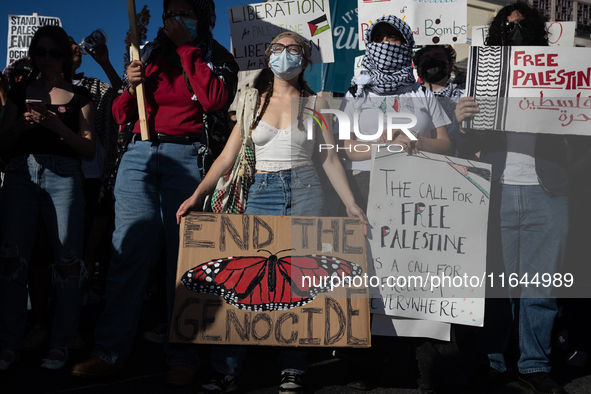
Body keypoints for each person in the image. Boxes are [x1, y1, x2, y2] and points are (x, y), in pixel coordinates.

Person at [177, 31, 367, 394]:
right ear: (268, 57)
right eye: (278, 48)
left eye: (293, 49)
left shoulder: (318, 103)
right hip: (258, 191)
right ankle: (227, 368)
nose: (285, 54)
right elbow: (227, 156)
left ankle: (293, 368)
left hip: (307, 190)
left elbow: (328, 157)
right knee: (243, 280)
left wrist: (350, 203)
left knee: (296, 283)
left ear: (305, 60)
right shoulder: (250, 100)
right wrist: (197, 194)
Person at [71, 0, 239, 387]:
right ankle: (108, 351)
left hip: (188, 156)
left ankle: (183, 354)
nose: (176, 19)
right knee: (127, 255)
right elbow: (120, 114)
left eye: (187, 12)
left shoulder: (217, 57)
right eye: (171, 12)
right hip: (139, 155)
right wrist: (131, 86)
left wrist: (185, 50)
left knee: (182, 263)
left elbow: (215, 100)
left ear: (203, 18)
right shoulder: (147, 54)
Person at [454, 2, 569, 394]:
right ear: (496, 34)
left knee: (541, 286)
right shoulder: (482, 74)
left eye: (521, 27)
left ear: (536, 32)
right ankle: (493, 361)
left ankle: (535, 365)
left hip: (548, 190)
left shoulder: (559, 74)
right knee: (497, 285)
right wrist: (462, 121)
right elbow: (465, 142)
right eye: (507, 26)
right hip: (497, 188)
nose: (514, 32)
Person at [0, 25, 96, 370]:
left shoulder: (80, 95)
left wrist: (56, 126)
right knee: (13, 260)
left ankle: (62, 343)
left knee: (68, 263)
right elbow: (2, 141)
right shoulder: (19, 91)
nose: (47, 59)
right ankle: (9, 342)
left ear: (64, 55)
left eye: (54, 52)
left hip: (65, 175)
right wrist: (20, 127)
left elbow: (88, 148)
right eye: (39, 52)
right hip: (21, 173)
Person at [339, 14, 451, 212]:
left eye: (392, 37)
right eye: (378, 38)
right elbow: (345, 147)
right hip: (365, 182)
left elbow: (444, 144)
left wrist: (414, 139)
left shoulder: (422, 92)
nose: (385, 43)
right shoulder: (356, 93)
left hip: (420, 184)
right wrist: (381, 147)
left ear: (406, 44)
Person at [413, 45, 464, 156]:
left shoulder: (464, 99)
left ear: (450, 66)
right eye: (426, 59)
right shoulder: (408, 100)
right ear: (418, 70)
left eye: (438, 57)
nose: (432, 61)